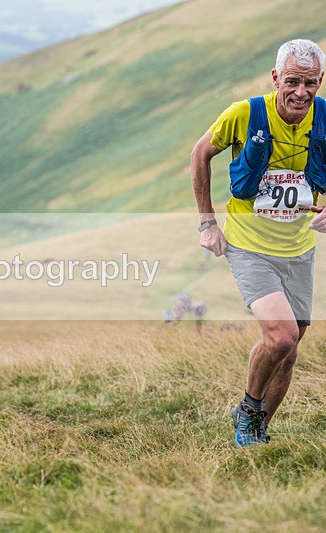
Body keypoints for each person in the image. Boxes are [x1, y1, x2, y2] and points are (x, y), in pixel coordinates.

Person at [191, 39, 326, 446]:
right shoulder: (246, 114)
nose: (301, 91)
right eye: (292, 81)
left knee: (290, 348)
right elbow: (200, 154)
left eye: (311, 82)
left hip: (299, 248)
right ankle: (248, 411)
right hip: (249, 245)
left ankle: (257, 430)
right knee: (282, 335)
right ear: (275, 78)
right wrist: (206, 222)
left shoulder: (324, 118)